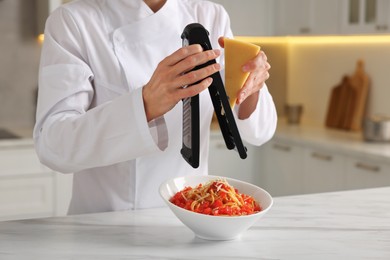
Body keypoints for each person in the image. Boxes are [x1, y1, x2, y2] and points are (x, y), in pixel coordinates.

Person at [34, 0, 277, 215]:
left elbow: (258, 132)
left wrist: (251, 85)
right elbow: (53, 147)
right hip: (104, 222)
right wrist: (146, 103)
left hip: (193, 214)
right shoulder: (73, 21)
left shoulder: (210, 15)